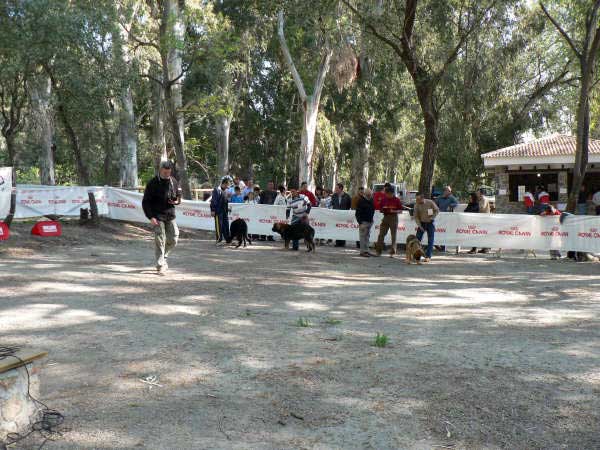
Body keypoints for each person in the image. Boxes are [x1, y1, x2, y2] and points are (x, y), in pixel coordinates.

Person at [142, 161, 181, 275]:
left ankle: (164, 257)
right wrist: (151, 217)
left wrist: (176, 201)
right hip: (157, 216)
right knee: (160, 239)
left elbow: (178, 197)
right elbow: (146, 202)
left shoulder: (173, 181)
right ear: (160, 170)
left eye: (169, 173)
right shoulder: (152, 183)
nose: (167, 175)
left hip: (170, 215)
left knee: (174, 238)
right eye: (165, 173)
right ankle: (160, 265)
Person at [375, 186, 402, 257]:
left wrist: (394, 211)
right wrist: (383, 209)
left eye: (389, 194)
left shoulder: (397, 200)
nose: (388, 195)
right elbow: (380, 208)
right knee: (381, 234)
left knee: (393, 235)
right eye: (387, 194)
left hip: (393, 218)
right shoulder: (384, 199)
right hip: (385, 217)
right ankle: (378, 251)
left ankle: (392, 252)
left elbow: (400, 210)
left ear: (392, 193)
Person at [413, 192, 439, 262]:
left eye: (418, 199)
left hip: (430, 223)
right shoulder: (416, 205)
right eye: (416, 199)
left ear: (422, 198)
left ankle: (428, 256)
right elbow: (416, 217)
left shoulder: (430, 202)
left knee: (430, 240)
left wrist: (432, 217)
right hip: (422, 223)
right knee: (417, 240)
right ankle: (415, 255)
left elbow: (437, 210)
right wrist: (420, 226)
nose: (417, 201)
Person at [468, 189, 491, 254]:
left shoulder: (484, 199)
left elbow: (482, 208)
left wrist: (475, 205)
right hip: (479, 219)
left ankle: (486, 249)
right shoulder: (479, 199)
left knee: (484, 234)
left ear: (481, 193)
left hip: (484, 219)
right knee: (476, 233)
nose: (476, 194)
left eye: (477, 193)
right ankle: (475, 248)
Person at [287, 186, 311, 250]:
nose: (292, 193)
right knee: (294, 232)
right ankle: (295, 247)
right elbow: (288, 210)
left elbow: (309, 205)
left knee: (306, 231)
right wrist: (287, 217)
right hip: (295, 216)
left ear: (297, 191)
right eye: (291, 191)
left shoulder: (303, 197)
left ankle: (309, 246)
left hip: (304, 216)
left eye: (293, 191)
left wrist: (306, 213)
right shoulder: (289, 200)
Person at [435, 186, 458, 253]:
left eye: (450, 191)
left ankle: (443, 247)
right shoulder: (439, 198)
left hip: (447, 218)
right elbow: (434, 204)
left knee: (444, 232)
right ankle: (436, 245)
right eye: (448, 191)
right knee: (437, 231)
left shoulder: (451, 197)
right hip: (439, 217)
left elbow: (456, 203)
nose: (450, 192)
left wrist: (450, 206)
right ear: (445, 191)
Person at [210, 177, 231, 244]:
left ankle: (228, 240)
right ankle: (219, 240)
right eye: (227, 185)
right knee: (219, 226)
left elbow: (225, 201)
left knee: (226, 225)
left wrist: (228, 209)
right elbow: (213, 201)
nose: (227, 187)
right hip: (218, 211)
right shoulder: (216, 190)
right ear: (224, 184)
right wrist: (213, 210)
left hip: (225, 212)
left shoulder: (225, 191)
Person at [355, 188, 375, 257]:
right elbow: (357, 214)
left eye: (370, 195)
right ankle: (362, 252)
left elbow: (373, 209)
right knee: (363, 237)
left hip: (370, 221)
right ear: (365, 194)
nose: (370, 196)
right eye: (368, 195)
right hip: (363, 222)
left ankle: (367, 250)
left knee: (367, 237)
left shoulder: (372, 200)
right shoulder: (361, 201)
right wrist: (360, 223)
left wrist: (372, 219)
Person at [331, 183, 352, 247]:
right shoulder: (334, 196)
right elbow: (332, 204)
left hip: (344, 215)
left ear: (341, 189)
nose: (335, 189)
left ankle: (342, 242)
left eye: (336, 188)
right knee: (337, 228)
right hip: (336, 215)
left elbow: (349, 205)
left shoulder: (347, 196)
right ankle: (337, 242)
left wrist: (345, 212)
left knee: (343, 228)